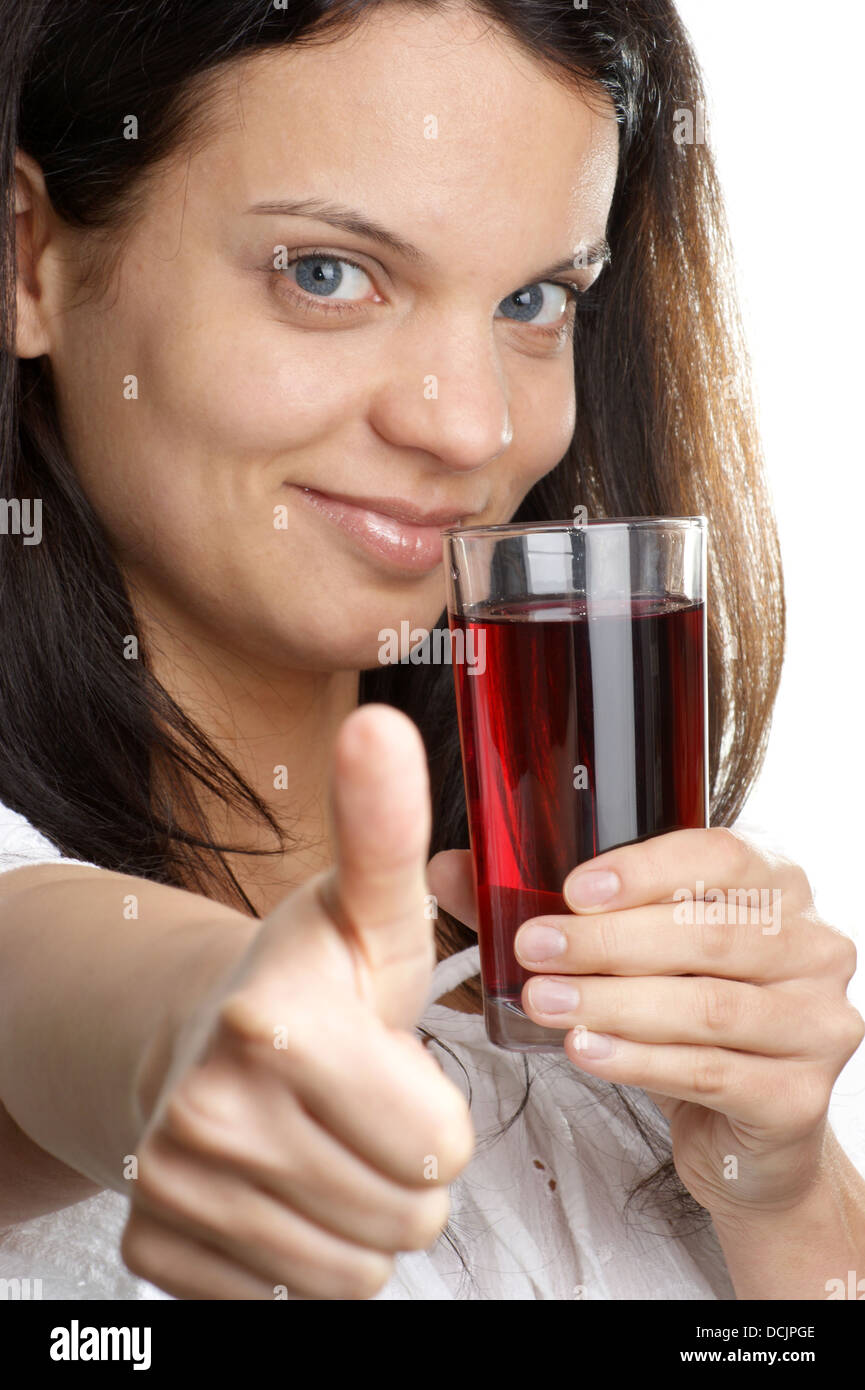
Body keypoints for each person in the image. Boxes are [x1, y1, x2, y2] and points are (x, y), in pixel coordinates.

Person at [0, 0, 862, 1302]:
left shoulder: (574, 938)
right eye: (325, 273)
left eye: (533, 298)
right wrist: (186, 1031)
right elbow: (60, 987)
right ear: (29, 260)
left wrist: (785, 1195)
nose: (470, 424)